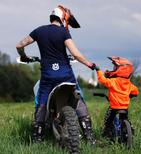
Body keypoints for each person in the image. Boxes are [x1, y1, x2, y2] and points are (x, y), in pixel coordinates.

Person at [16, 5, 96, 144]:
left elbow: (19, 45)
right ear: (62, 18)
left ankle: (38, 139)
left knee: (41, 103)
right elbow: (75, 54)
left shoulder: (39, 31)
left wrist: (24, 56)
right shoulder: (63, 33)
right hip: (66, 75)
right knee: (79, 100)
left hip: (48, 77)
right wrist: (89, 64)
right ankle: (90, 138)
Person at [95, 56, 139, 138]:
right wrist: (132, 94)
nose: (113, 69)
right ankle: (130, 131)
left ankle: (106, 133)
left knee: (108, 121)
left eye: (115, 67)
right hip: (125, 107)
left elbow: (103, 80)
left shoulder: (114, 81)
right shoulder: (128, 83)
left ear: (121, 69)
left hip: (114, 107)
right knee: (126, 119)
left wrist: (98, 71)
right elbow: (136, 91)